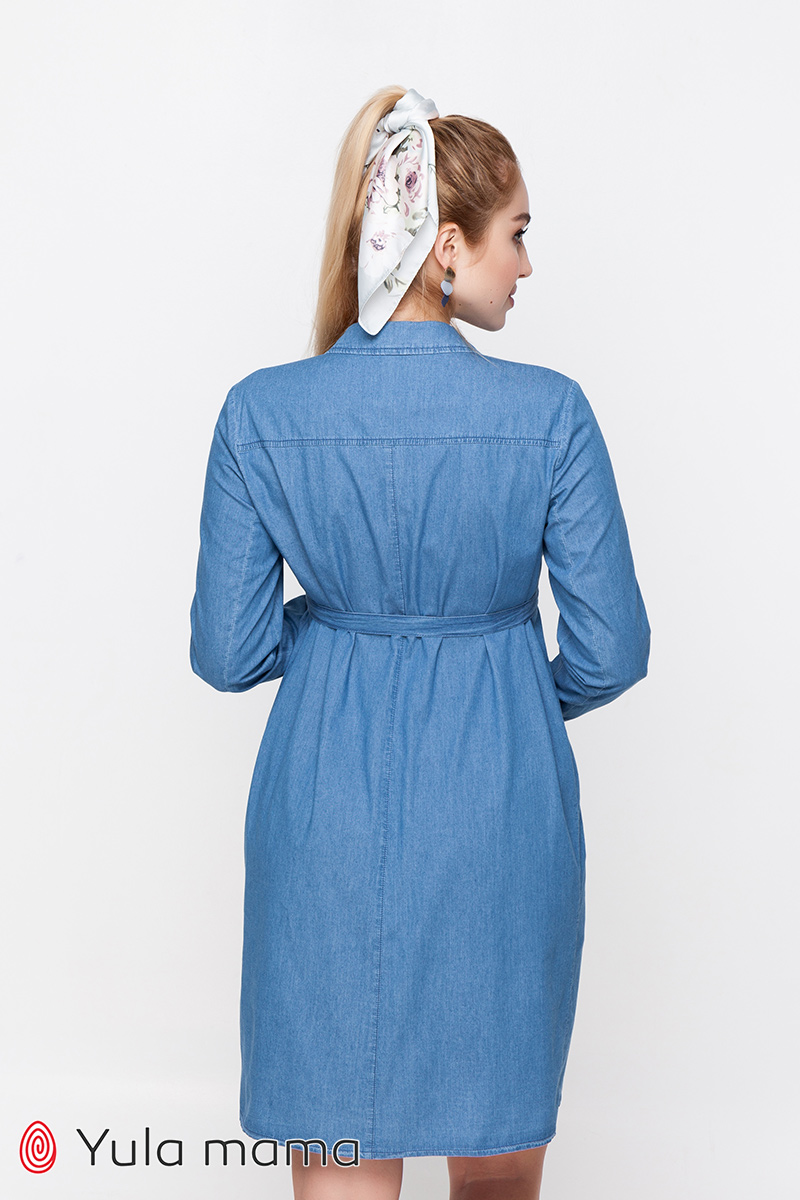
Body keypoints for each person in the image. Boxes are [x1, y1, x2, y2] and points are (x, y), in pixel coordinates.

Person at [189, 86, 651, 1200]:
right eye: (517, 234)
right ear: (448, 246)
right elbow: (611, 649)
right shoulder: (550, 414)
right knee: (495, 1168)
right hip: (501, 813)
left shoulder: (260, 412)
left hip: (322, 821)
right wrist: (500, 682)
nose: (526, 265)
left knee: (340, 1166)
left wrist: (339, 630)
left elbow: (227, 651)